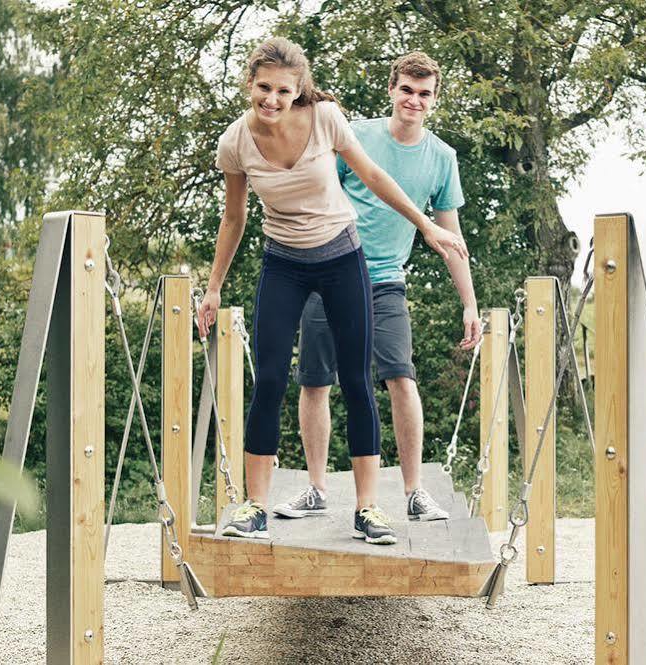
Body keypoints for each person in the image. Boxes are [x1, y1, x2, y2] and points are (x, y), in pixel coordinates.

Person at [197, 37, 468, 546]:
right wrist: (213, 288)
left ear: (298, 90)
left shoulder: (325, 118)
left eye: (283, 90)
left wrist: (427, 227)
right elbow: (234, 219)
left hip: (342, 258)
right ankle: (254, 506)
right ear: (249, 84)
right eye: (263, 88)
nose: (271, 100)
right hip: (283, 263)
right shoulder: (235, 142)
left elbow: (373, 175)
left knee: (357, 379)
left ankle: (368, 510)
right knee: (273, 378)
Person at [273, 51, 481, 523]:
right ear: (392, 90)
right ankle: (316, 489)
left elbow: (451, 238)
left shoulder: (441, 158)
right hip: (329, 273)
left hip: (387, 282)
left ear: (434, 100)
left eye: (424, 93)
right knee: (315, 381)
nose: (414, 99)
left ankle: (413, 492)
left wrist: (469, 304)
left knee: (401, 379)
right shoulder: (358, 136)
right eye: (406, 89)